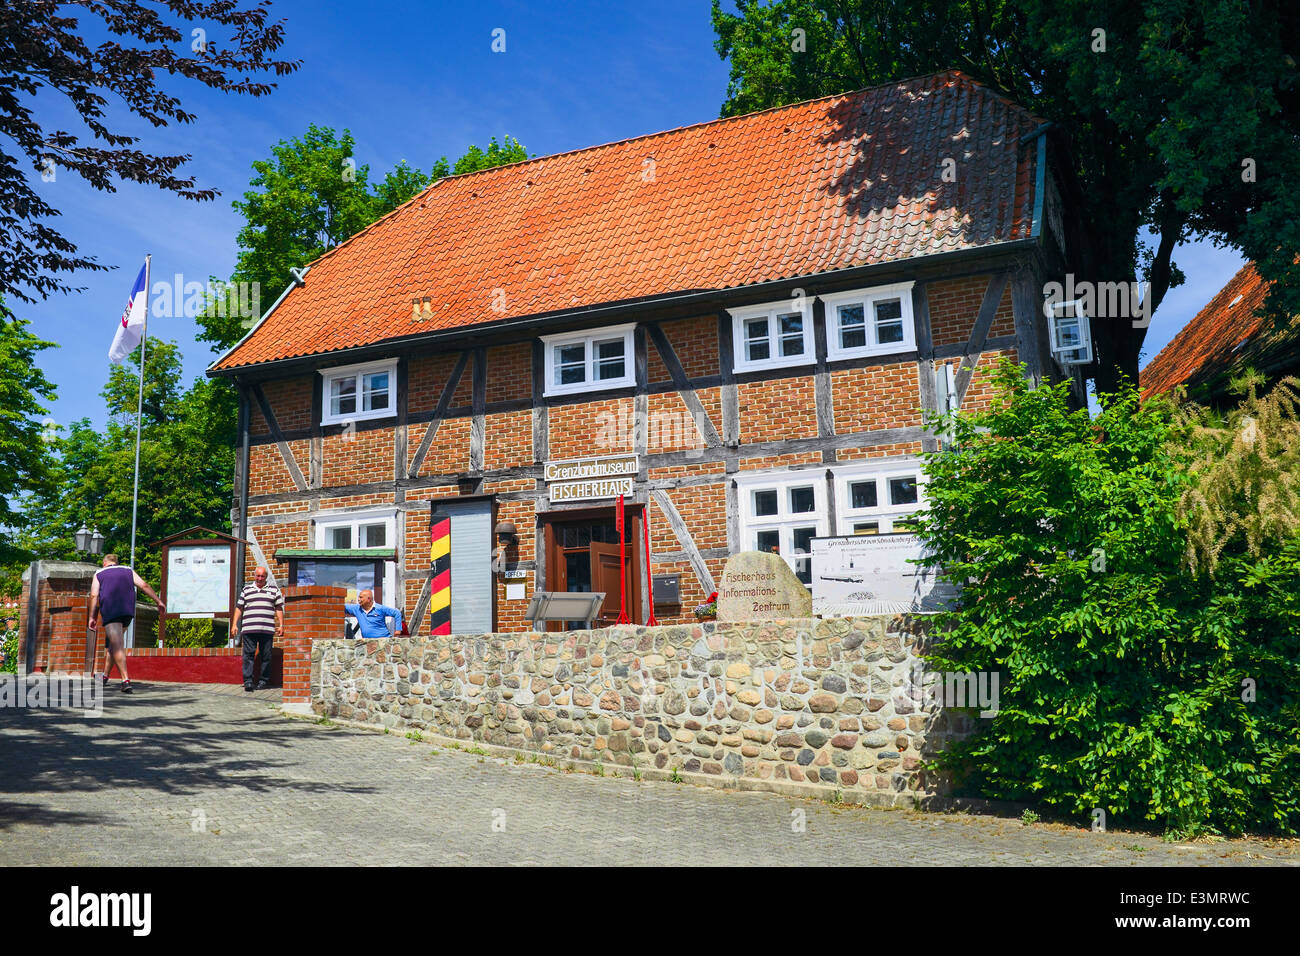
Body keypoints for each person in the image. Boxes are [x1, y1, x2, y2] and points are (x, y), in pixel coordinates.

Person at [88, 554, 165, 694]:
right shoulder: (128, 569)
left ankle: (125, 680)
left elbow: (94, 595)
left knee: (116, 644)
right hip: (127, 611)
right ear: (116, 562)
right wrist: (158, 601)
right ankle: (104, 676)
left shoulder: (99, 573)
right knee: (114, 643)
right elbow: (143, 585)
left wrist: (92, 617)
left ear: (104, 563)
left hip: (111, 610)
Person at [233, 566, 283, 691]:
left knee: (266, 656)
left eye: (262, 576)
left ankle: (263, 681)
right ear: (254, 575)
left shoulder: (274, 590)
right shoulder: (246, 590)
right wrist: (234, 624)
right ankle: (248, 681)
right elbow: (239, 608)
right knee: (248, 655)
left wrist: (281, 625)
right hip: (249, 629)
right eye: (258, 576)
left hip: (267, 629)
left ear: (266, 577)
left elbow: (278, 608)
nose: (260, 578)